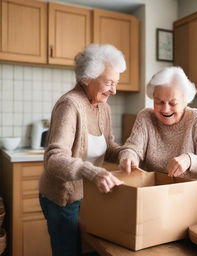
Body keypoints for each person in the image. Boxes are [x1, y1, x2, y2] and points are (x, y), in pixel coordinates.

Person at [39, 44, 126, 256]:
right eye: (109, 83)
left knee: (91, 248)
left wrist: (126, 153)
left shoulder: (103, 107)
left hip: (90, 195)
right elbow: (54, 159)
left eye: (116, 83)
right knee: (68, 251)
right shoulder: (70, 105)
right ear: (88, 77)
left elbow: (110, 146)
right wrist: (91, 171)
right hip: (63, 197)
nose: (113, 90)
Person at [119, 66, 197, 206]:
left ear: (185, 101)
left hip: (193, 203)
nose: (165, 109)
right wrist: (128, 156)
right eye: (159, 102)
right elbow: (133, 148)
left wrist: (190, 160)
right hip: (155, 202)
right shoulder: (145, 117)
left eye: (172, 103)